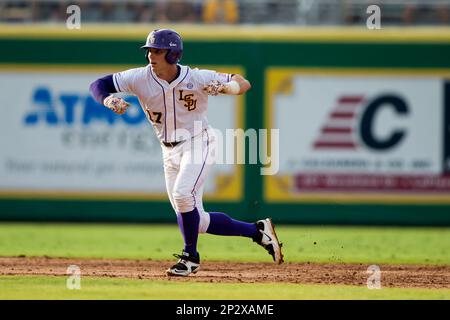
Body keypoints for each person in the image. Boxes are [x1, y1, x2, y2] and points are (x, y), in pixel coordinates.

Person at [89, 29, 284, 277]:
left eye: (158, 51)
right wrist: (107, 100)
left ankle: (190, 258)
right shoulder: (139, 77)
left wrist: (227, 88)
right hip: (168, 151)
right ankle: (258, 232)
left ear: (173, 54)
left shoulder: (197, 77)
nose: (151, 56)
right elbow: (98, 85)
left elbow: (244, 82)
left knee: (183, 195)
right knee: (196, 220)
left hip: (198, 142)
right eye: (149, 50)